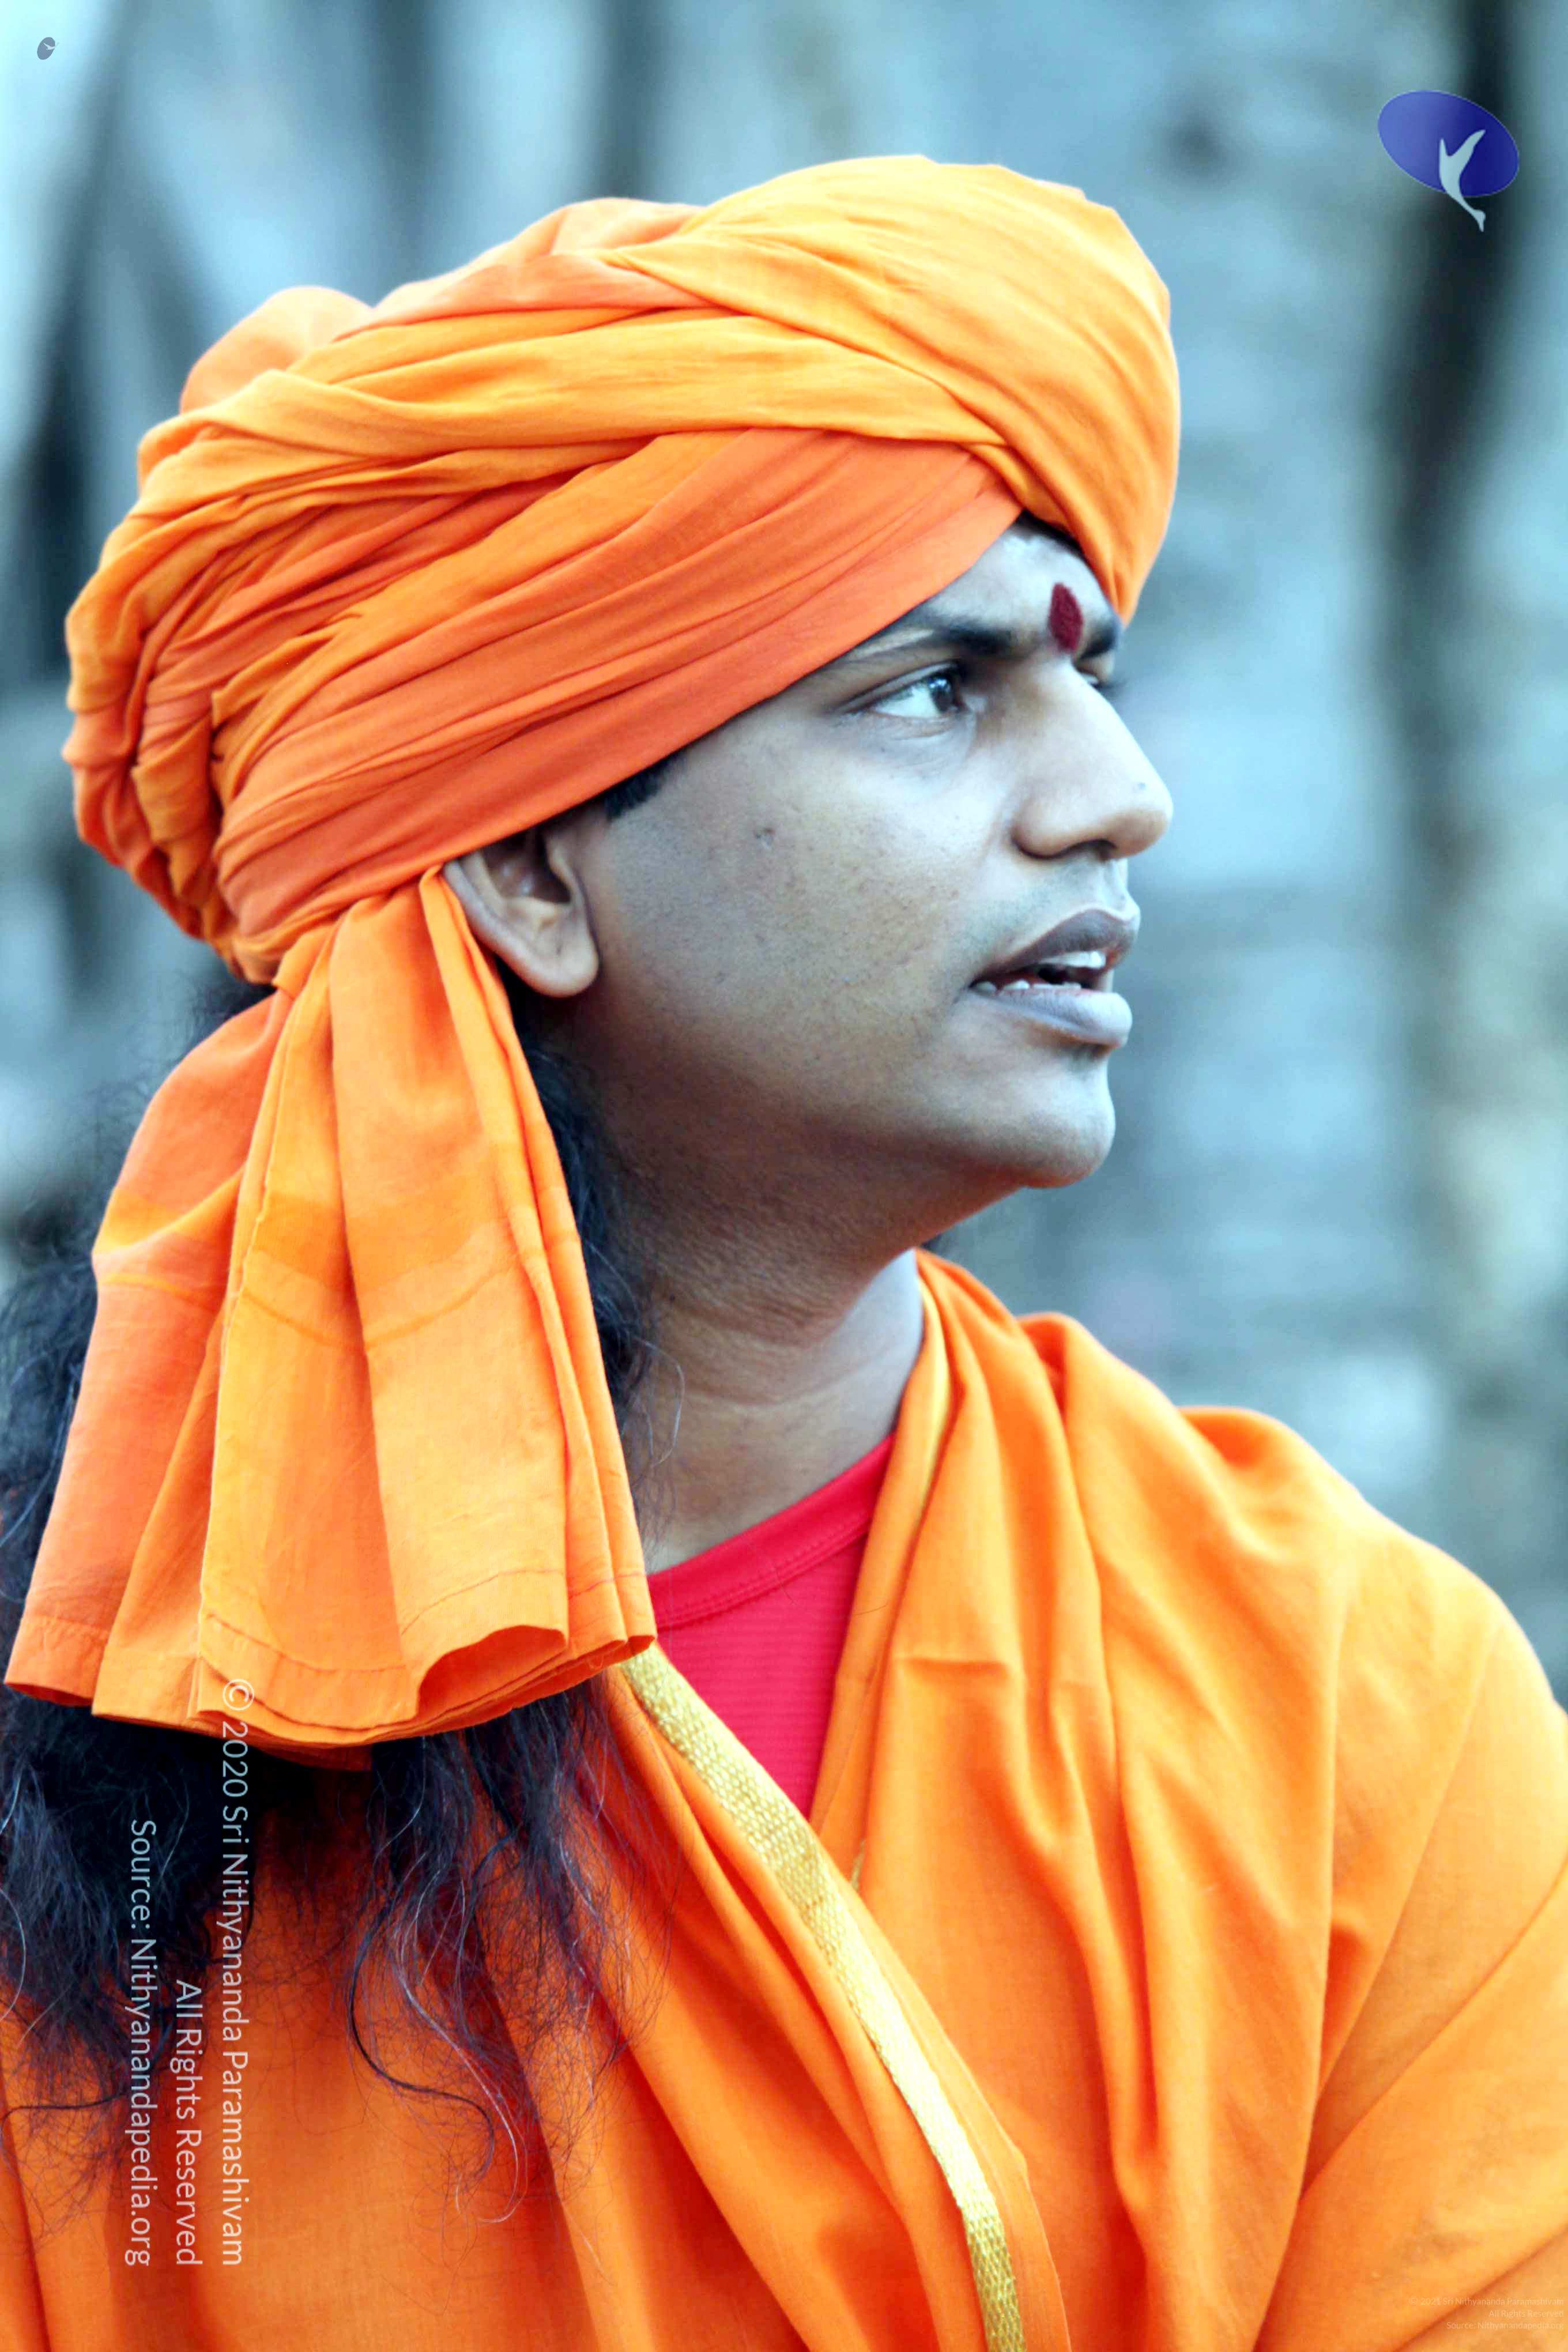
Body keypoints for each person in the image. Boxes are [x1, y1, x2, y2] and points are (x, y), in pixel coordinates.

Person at [0, 153, 1563, 2351]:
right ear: (533, 871)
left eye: (1090, 674)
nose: (1118, 794)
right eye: (933, 689)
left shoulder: (1345, 1701)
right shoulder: (80, 1722)